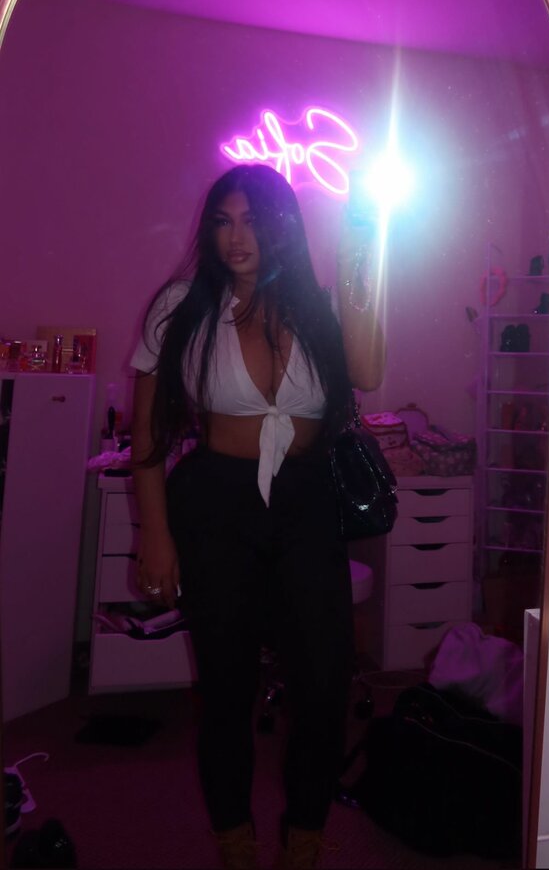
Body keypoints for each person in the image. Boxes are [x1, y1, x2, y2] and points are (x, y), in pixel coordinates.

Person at [130, 163, 385, 870]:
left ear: (283, 229)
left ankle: (304, 837)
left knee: (325, 681)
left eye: (252, 221)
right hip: (216, 502)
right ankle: (235, 841)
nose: (236, 237)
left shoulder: (320, 306)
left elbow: (368, 373)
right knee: (226, 685)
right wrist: (155, 535)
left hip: (306, 501)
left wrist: (361, 251)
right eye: (223, 221)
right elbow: (147, 435)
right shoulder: (180, 306)